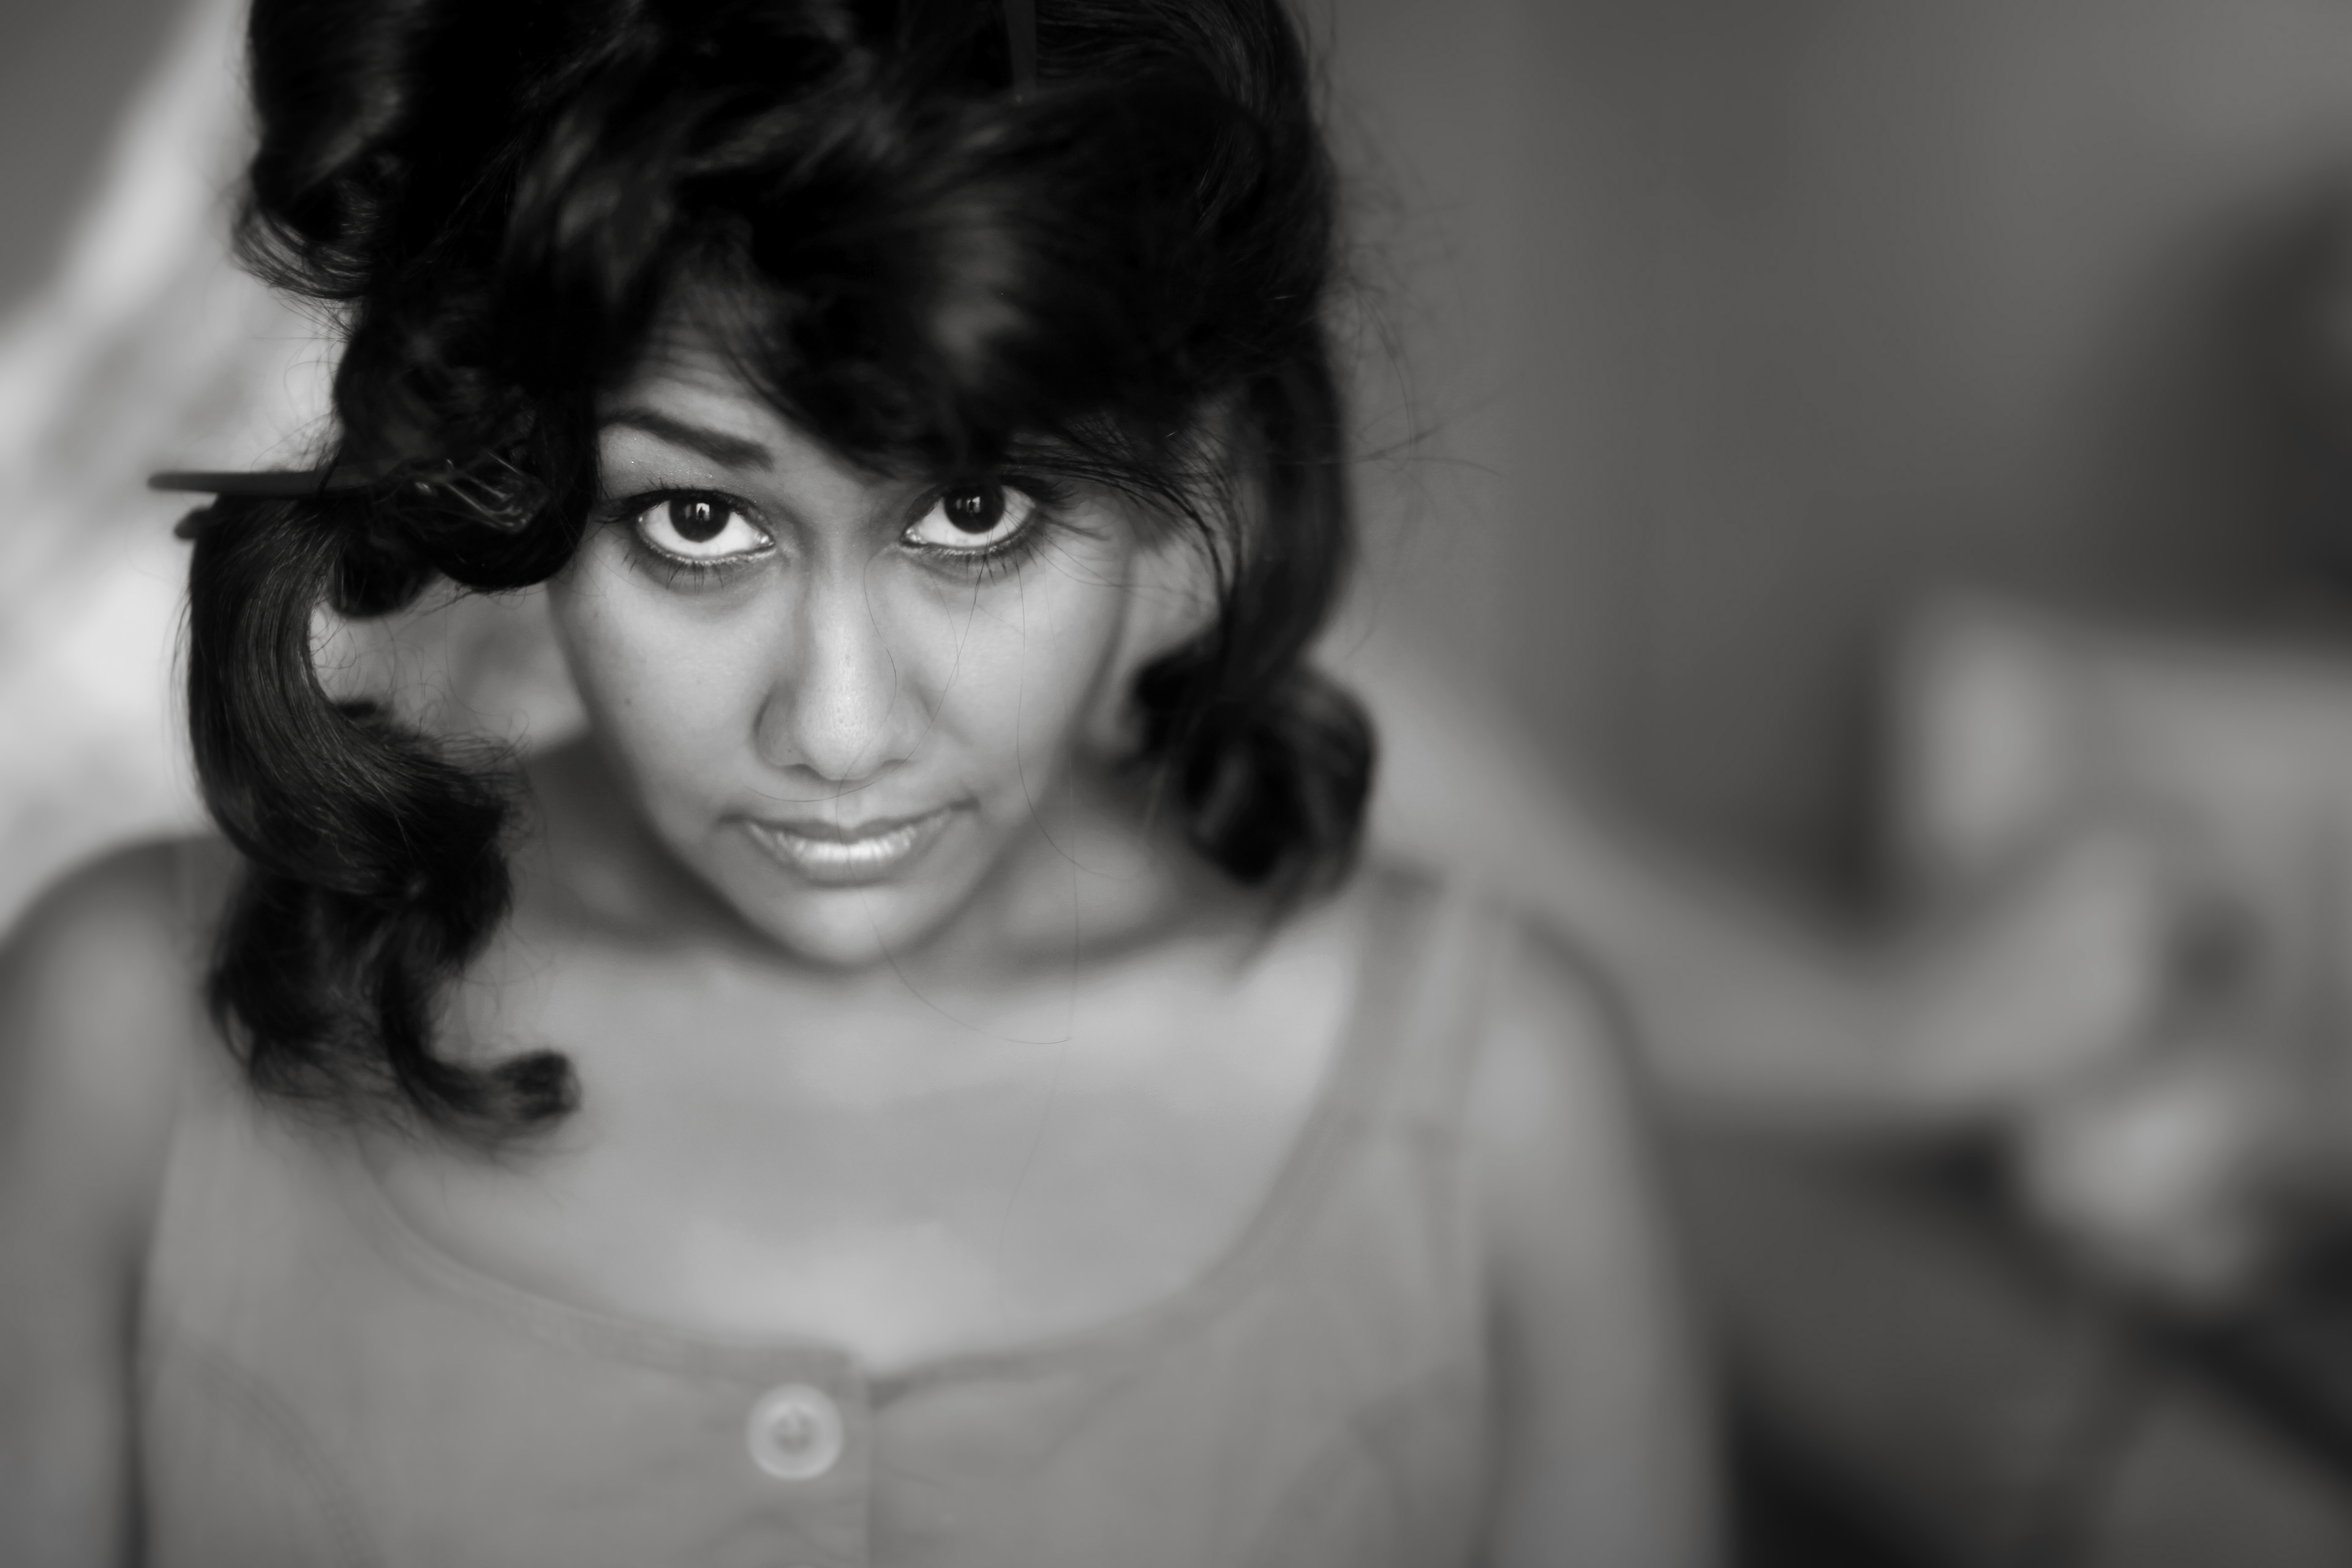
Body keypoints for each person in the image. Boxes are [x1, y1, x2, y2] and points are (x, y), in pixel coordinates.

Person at [0, 2, 1719, 1564]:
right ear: (517, 483)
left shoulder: (1500, 1102)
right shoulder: (128, 1032)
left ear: (1184, 480)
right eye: (698, 522)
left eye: (973, 515)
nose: (836, 731)